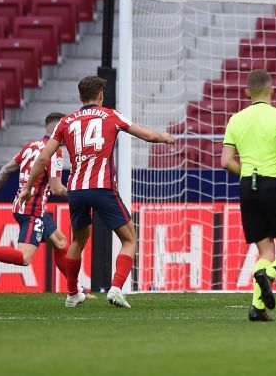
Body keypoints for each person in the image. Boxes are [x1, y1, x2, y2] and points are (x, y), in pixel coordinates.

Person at [18, 76, 174, 308]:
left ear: (80, 97)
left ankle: (72, 294)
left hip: (76, 190)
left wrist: (28, 188)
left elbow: (43, 157)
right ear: (100, 96)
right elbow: (148, 136)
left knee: (78, 240)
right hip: (102, 188)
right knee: (130, 240)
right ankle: (116, 288)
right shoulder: (111, 115)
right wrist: (166, 138)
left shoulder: (66, 122)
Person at [0, 113, 92, 297]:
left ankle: (76, 289)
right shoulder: (54, 151)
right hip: (33, 211)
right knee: (24, 258)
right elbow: (56, 189)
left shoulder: (30, 146)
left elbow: (6, 169)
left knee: (60, 242)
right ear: (58, 129)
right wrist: (82, 197)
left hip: (24, 206)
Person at [220, 69, 276, 322]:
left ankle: (257, 308)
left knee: (265, 250)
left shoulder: (235, 119)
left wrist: (246, 175)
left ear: (247, 92)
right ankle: (271, 274)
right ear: (272, 90)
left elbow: (226, 161)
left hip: (248, 187)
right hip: (273, 183)